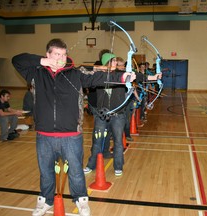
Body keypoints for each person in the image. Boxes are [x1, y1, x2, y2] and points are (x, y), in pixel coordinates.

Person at [11, 38, 135, 216]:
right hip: (44, 135)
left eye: (63, 54)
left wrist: (123, 76)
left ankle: (81, 200)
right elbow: (17, 60)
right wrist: (42, 62)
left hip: (71, 135)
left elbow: (98, 77)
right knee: (46, 172)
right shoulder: (35, 73)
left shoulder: (74, 74)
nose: (60, 58)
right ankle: (45, 201)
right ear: (47, 55)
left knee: (76, 172)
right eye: (56, 54)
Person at [84, 53, 161, 177]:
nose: (115, 63)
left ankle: (118, 166)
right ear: (106, 63)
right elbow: (84, 74)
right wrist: (96, 69)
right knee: (97, 142)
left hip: (117, 115)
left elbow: (139, 77)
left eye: (115, 61)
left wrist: (155, 77)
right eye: (112, 61)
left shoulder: (121, 75)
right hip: (101, 115)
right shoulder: (98, 77)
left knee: (118, 141)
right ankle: (90, 165)